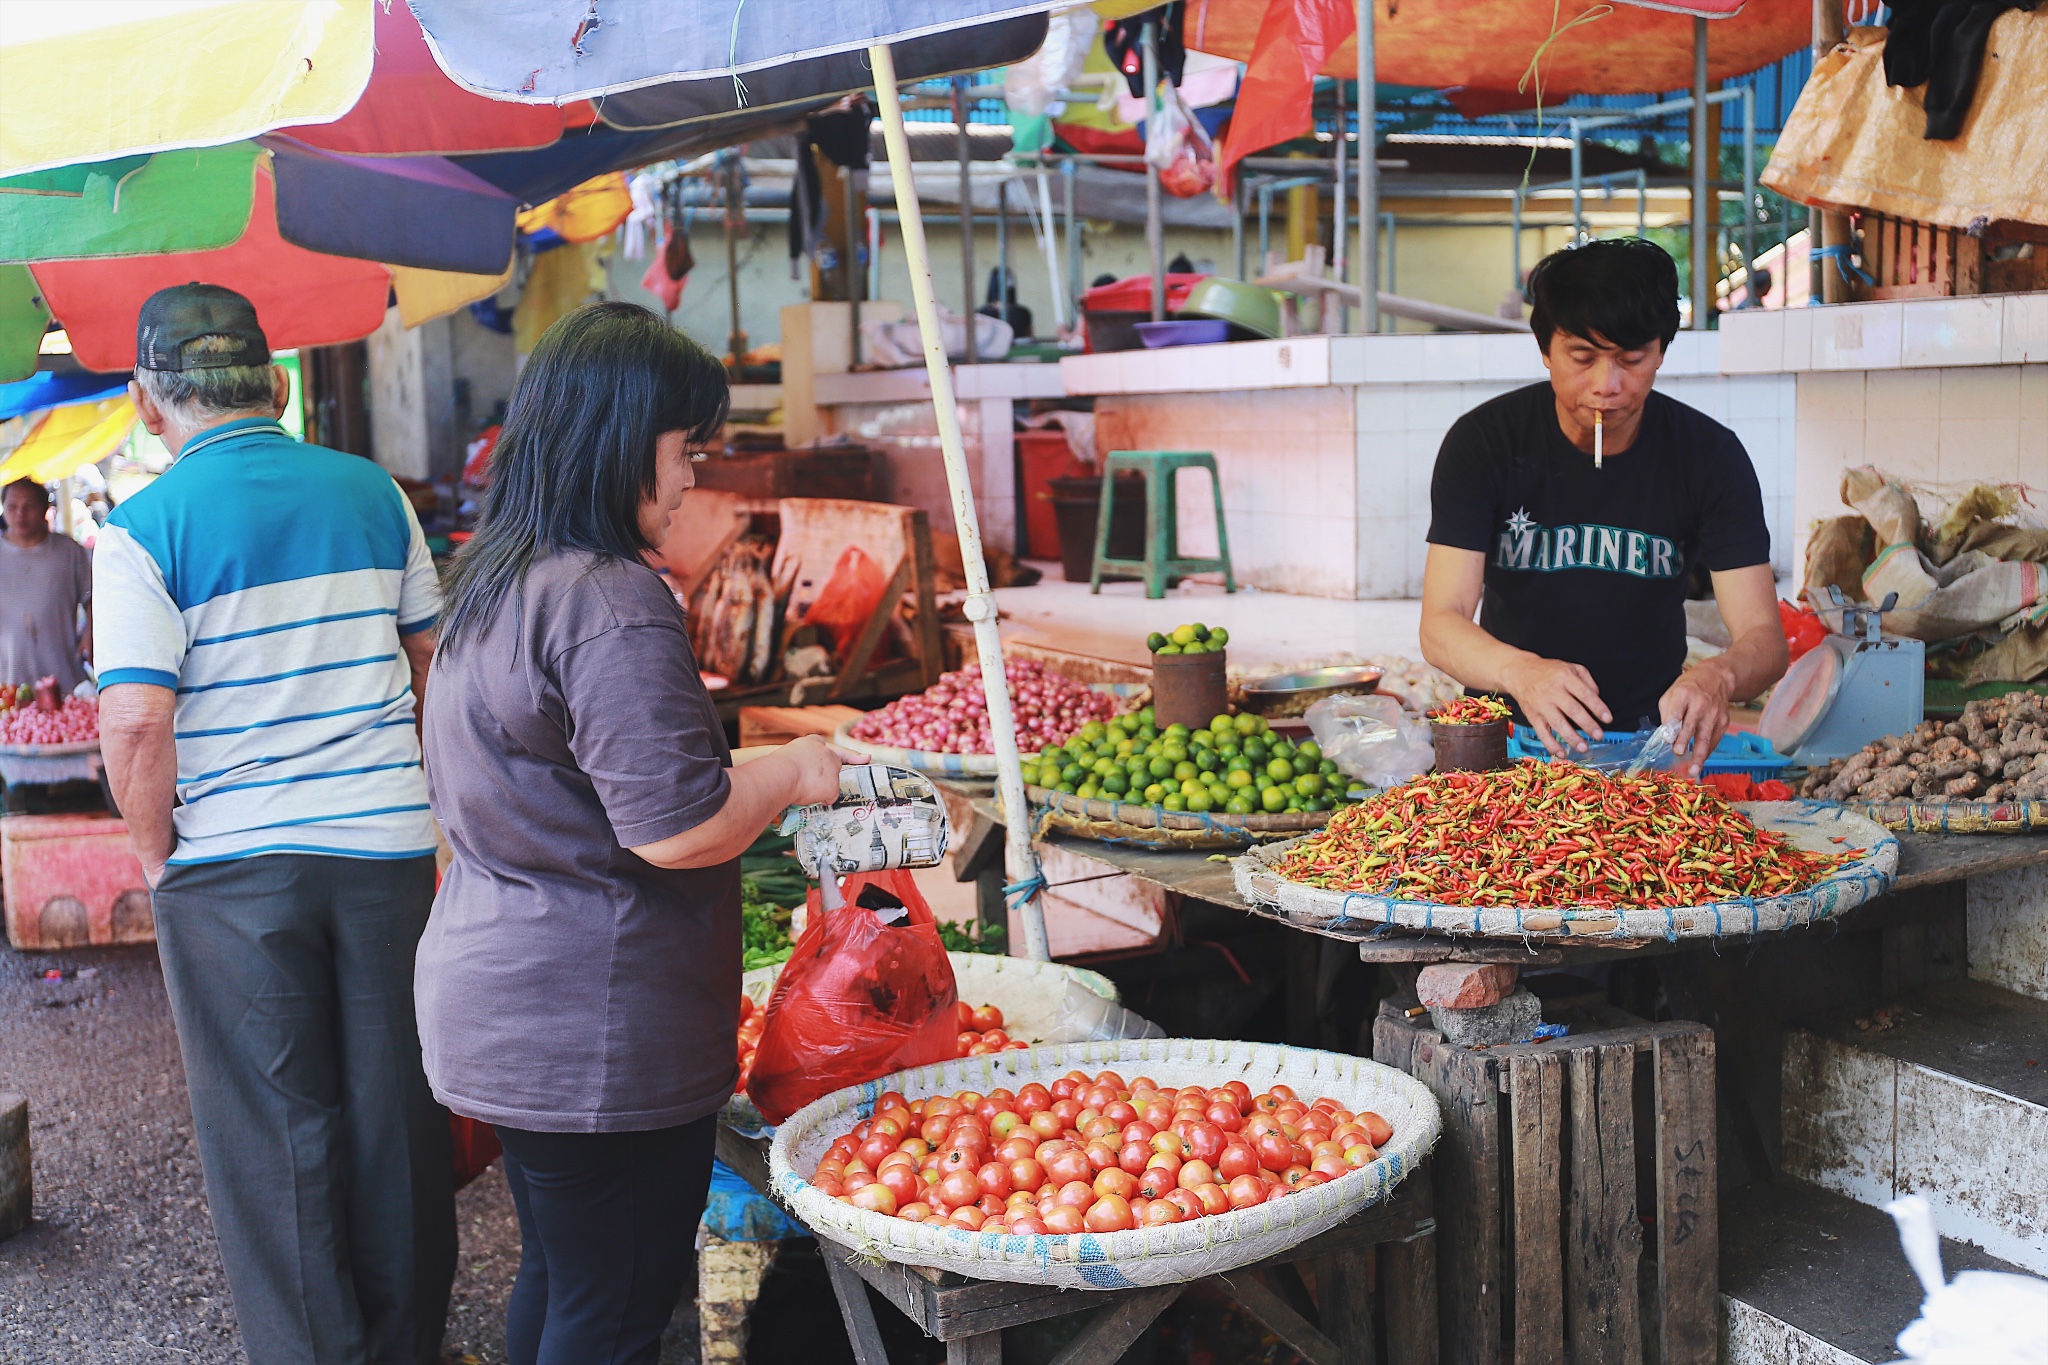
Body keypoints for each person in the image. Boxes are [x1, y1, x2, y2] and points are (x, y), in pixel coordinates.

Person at [414, 302, 843, 1365]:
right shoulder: (607, 597)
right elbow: (678, 829)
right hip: (591, 1031)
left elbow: (589, 786)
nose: (694, 478)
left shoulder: (494, 580)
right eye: (683, 449)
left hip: (509, 1008)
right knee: (611, 1312)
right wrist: (791, 772)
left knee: (563, 1280)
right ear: (618, 440)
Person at [94, 283, 455, 1365]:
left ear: (148, 405)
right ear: (281, 384)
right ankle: (404, 1349)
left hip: (234, 866)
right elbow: (434, 659)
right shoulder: (372, 492)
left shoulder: (141, 530)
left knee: (272, 1134)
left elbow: (134, 726)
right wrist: (417, 797)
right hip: (388, 849)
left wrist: (159, 859)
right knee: (399, 1112)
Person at [1420, 238, 1787, 770]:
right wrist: (1521, 673)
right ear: (1545, 350)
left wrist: (1719, 676)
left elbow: (1764, 640)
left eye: (1631, 359)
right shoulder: (1483, 443)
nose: (1606, 386)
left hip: (1654, 745)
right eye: (1582, 357)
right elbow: (1441, 622)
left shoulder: (1709, 456)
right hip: (1505, 743)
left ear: (1661, 350)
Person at [0, 476, 93, 693]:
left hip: (62, 671)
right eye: (12, 507)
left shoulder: (69, 551)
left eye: (28, 506)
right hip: (7, 675)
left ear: (45, 508)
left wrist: (90, 633)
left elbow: (93, 597)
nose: (20, 514)